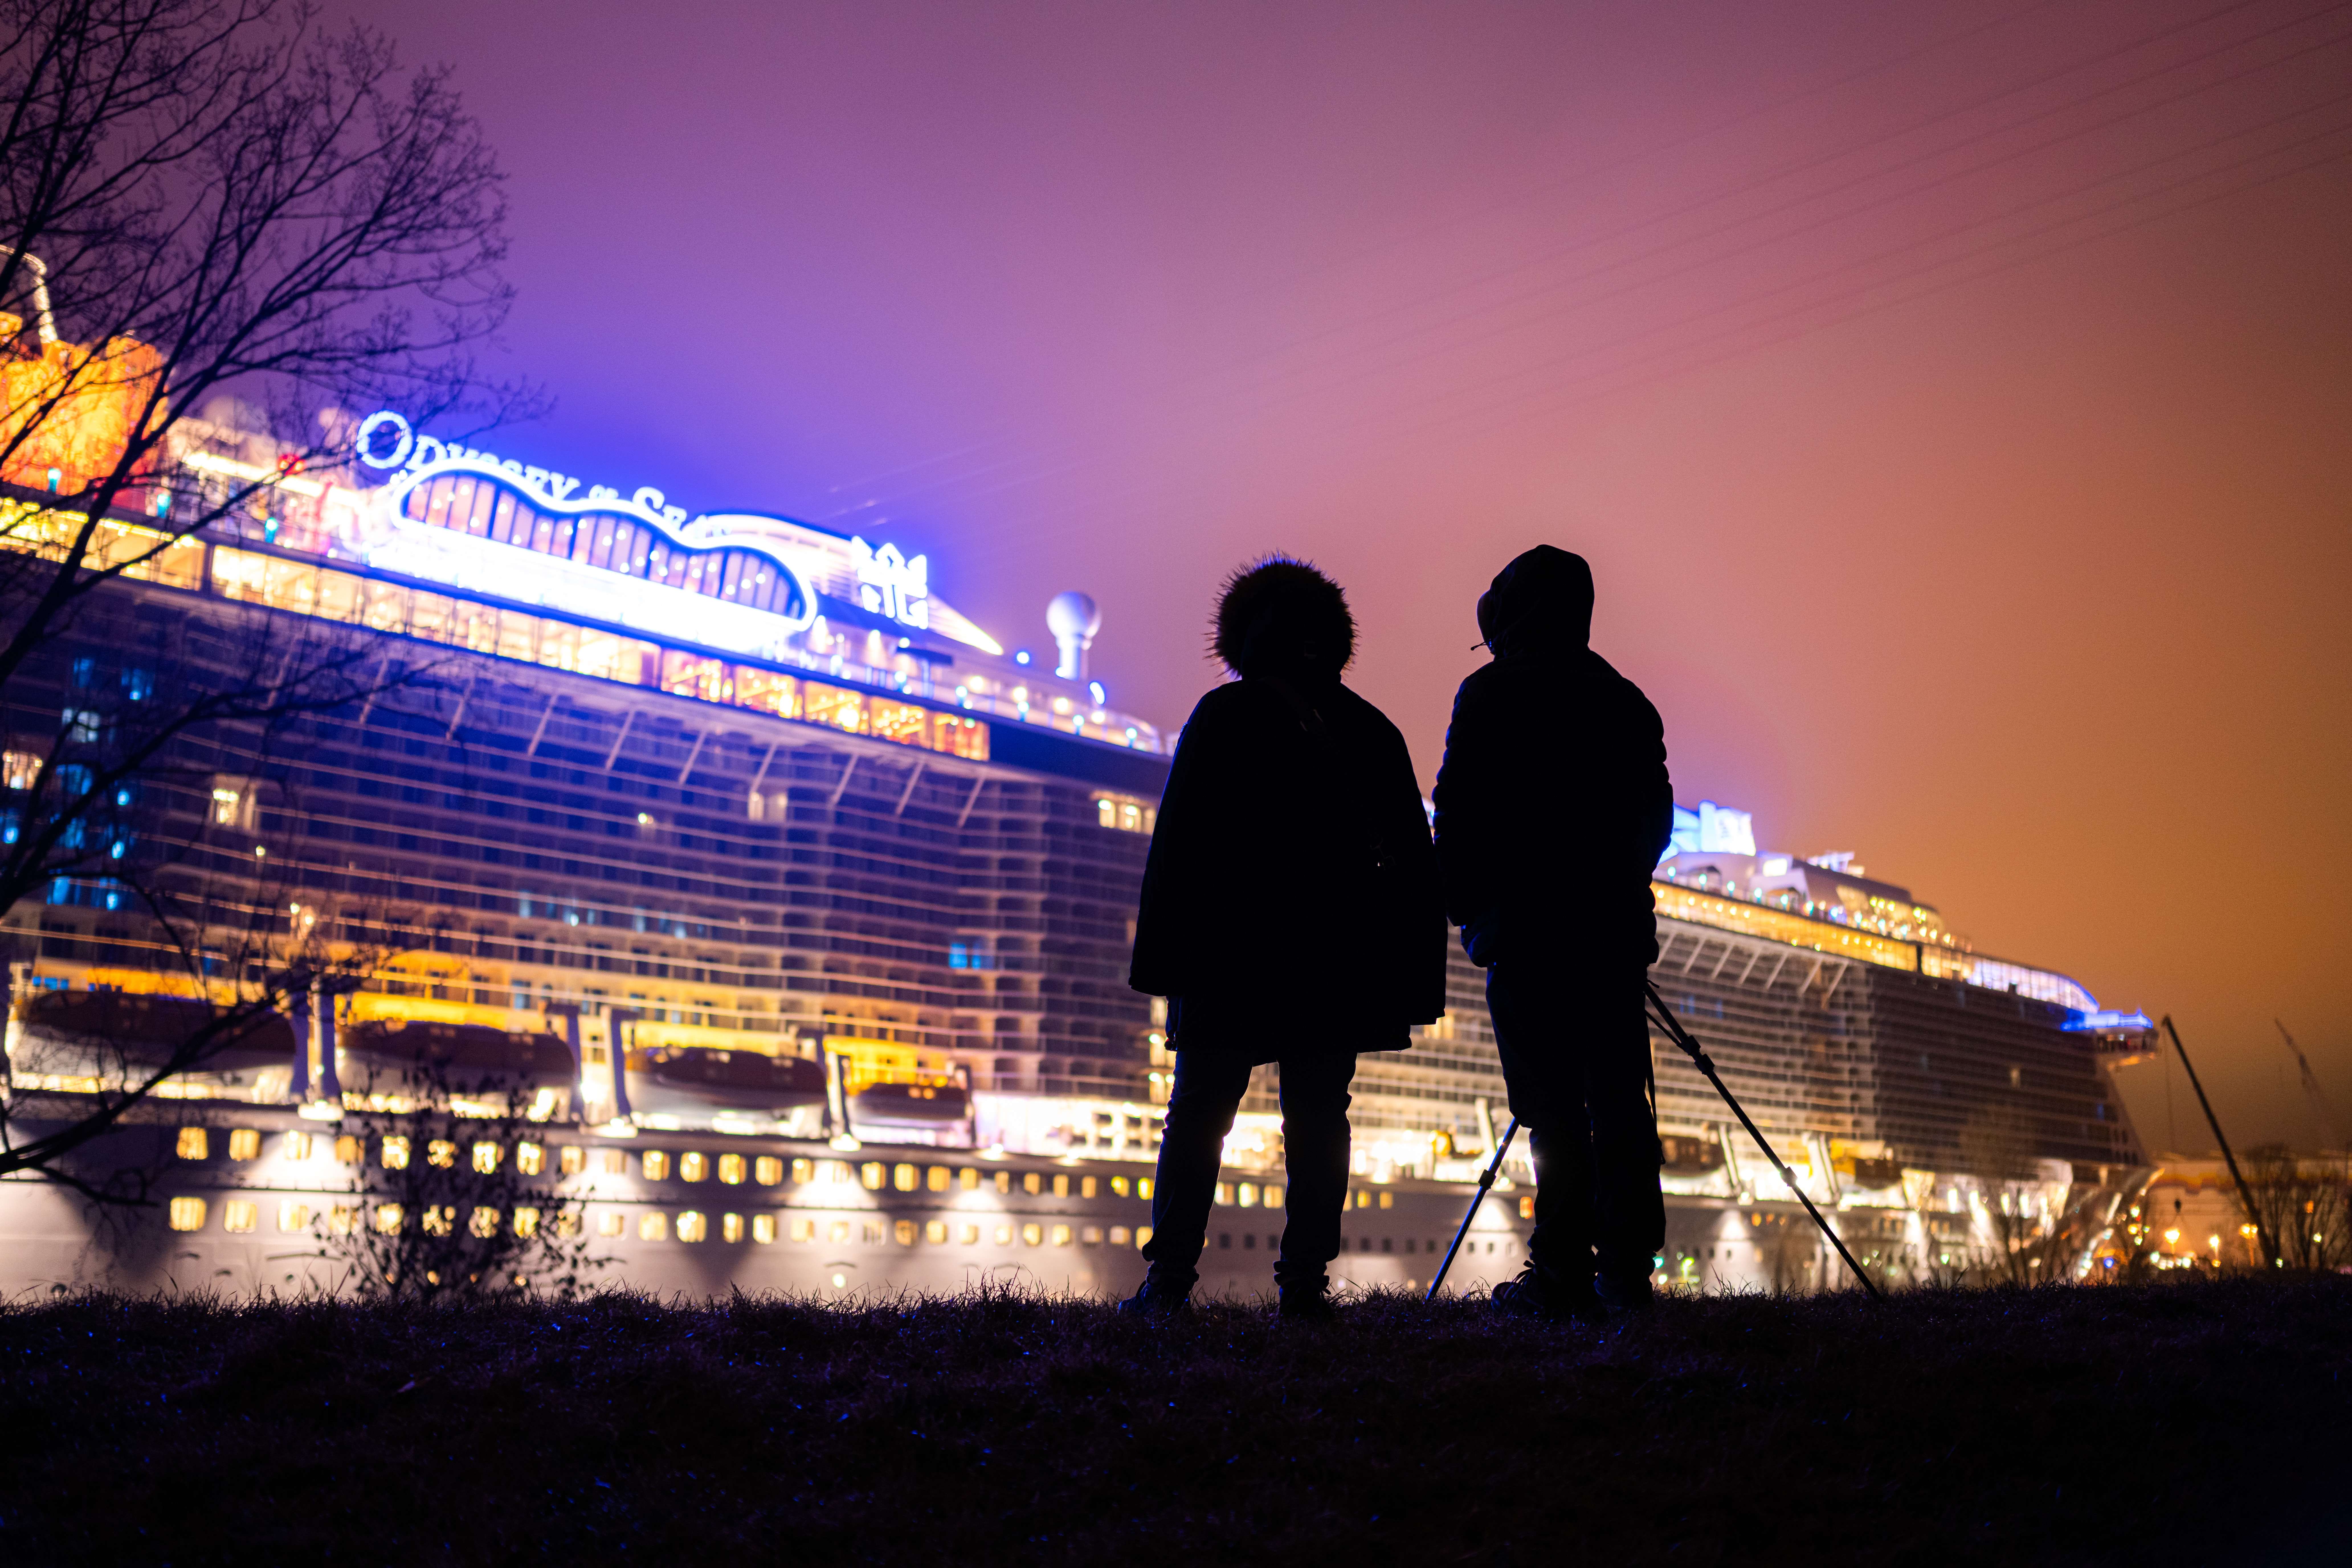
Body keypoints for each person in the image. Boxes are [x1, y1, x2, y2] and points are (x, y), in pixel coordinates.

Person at [1122, 556, 1445, 1319]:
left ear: (1244, 638)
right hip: (1336, 959)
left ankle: (1168, 1281)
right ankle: (1305, 1283)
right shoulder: (1374, 730)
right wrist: (1406, 979)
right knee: (1320, 1115)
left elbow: (1179, 848)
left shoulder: (1224, 716)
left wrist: (1166, 964)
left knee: (1199, 1113)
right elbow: (1414, 866)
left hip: (1231, 952)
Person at [1431, 545, 1673, 1320]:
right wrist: (1616, 886)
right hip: (1609, 936)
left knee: (1552, 1113)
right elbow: (1655, 819)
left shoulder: (1491, 694)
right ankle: (1630, 1273)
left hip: (1529, 935)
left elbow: (1458, 817)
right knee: (1621, 1105)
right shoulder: (1627, 701)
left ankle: (1562, 1274)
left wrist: (1476, 914)